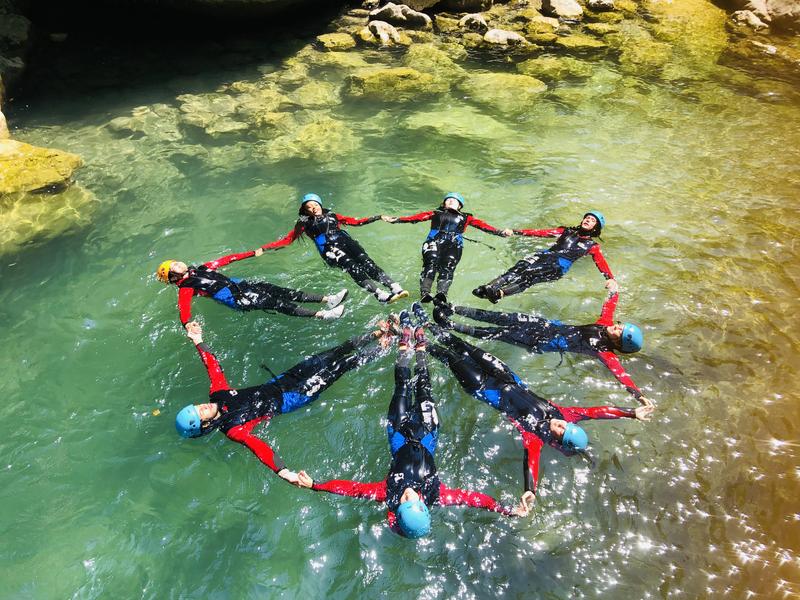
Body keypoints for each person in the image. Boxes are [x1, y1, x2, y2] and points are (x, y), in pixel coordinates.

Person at [295, 314, 531, 538]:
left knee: (401, 387)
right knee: (424, 388)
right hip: (428, 432)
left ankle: (403, 347)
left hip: (398, 433)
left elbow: (353, 489)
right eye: (412, 501)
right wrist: (509, 510)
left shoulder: (389, 495)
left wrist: (316, 486)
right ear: (422, 505)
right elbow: (474, 499)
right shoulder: (436, 495)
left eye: (404, 503)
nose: (407, 496)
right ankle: (420, 351)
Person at [420, 310, 653, 504]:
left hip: (483, 388)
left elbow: (531, 464)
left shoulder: (535, 438)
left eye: (562, 431)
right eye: (566, 425)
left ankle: (419, 341)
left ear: (558, 440)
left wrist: (530, 490)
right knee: (465, 347)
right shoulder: (565, 414)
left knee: (451, 358)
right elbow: (597, 412)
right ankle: (429, 325)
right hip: (507, 376)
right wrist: (631, 412)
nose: (560, 425)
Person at [174, 321, 386, 485]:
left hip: (282, 380)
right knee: (342, 365)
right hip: (293, 398)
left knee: (333, 353)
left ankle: (379, 332)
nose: (202, 406)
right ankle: (384, 347)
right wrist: (284, 472)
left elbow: (212, 366)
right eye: (199, 414)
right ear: (204, 425)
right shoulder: (233, 428)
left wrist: (197, 339)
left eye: (197, 406)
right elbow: (260, 449)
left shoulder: (218, 394)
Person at [433, 291, 650, 405]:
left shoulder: (604, 351)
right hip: (545, 326)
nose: (617, 328)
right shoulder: (604, 324)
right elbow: (609, 308)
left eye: (620, 333)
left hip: (541, 341)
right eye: (621, 326)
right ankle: (452, 309)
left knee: (496, 333)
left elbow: (620, 374)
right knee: (500, 317)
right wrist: (614, 292)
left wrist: (638, 396)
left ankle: (451, 325)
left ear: (619, 344)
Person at [260, 193, 408, 304]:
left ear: (320, 204)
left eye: (315, 205)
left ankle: (394, 287)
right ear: (305, 211)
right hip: (329, 249)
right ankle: (380, 295)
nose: (313, 208)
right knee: (353, 267)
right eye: (309, 207)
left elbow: (356, 222)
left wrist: (379, 217)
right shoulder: (303, 223)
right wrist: (265, 248)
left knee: (367, 263)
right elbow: (288, 240)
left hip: (346, 242)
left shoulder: (332, 215)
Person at [156, 249, 348, 326]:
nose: (178, 263)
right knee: (277, 303)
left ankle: (328, 299)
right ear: (173, 276)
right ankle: (324, 315)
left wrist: (252, 253)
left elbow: (227, 259)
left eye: (175, 262)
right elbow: (184, 309)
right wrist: (188, 324)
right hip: (238, 299)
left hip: (240, 284)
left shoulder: (202, 268)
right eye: (173, 267)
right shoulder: (186, 288)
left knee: (280, 291)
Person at [380, 192, 513, 302]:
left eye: (454, 200)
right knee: (430, 264)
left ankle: (442, 293)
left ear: (460, 205)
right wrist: (396, 219)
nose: (450, 201)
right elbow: (415, 218)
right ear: (443, 203)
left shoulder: (467, 218)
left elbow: (484, 226)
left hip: (455, 244)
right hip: (434, 241)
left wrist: (500, 232)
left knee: (448, 267)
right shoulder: (435, 213)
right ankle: (425, 293)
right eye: (448, 200)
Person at [473, 211, 618, 303]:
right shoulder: (565, 231)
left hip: (559, 266)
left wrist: (610, 278)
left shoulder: (592, 246)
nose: (587, 220)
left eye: (592, 220)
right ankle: (490, 287)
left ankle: (499, 294)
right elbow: (540, 233)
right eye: (586, 217)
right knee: (520, 267)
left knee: (529, 274)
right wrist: (516, 231)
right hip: (545, 255)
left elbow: (601, 263)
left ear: (595, 228)